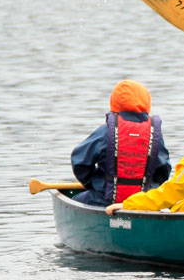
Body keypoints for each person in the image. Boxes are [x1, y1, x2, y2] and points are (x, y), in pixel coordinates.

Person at [70, 79, 171, 207]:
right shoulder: (154, 134)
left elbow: (80, 162)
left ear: (113, 103)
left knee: (74, 201)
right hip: (142, 201)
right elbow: (164, 169)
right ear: (146, 102)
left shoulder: (105, 131)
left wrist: (94, 183)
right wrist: (151, 187)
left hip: (102, 199)